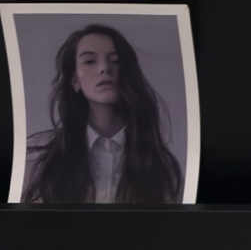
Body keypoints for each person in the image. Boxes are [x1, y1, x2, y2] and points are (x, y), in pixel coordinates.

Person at [20, 23, 182, 204]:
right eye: (90, 61)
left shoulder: (159, 165)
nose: (104, 68)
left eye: (116, 60)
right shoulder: (37, 156)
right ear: (75, 80)